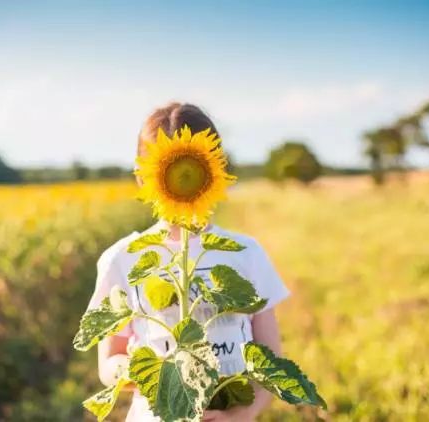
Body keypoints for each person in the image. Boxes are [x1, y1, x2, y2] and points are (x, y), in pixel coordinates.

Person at [88, 103, 290, 421]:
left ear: (215, 168)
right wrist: (150, 371)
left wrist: (240, 416)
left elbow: (272, 362)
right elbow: (108, 363)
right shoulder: (124, 258)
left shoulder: (246, 253)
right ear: (143, 177)